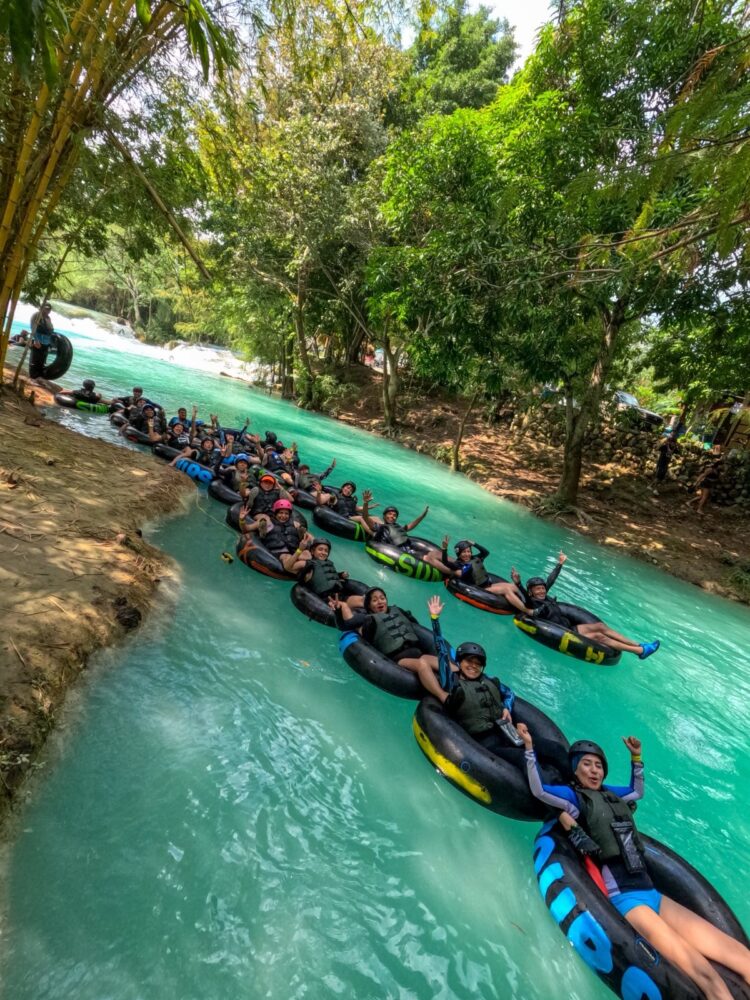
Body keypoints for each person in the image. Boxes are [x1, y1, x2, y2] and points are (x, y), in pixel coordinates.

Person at [518, 727, 750, 1000]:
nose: (594, 771)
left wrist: (636, 758)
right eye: (586, 764)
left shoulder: (614, 796)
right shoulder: (573, 800)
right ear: (575, 770)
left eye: (598, 766)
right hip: (629, 902)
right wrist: (529, 748)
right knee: (707, 977)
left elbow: (636, 790)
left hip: (653, 894)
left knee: (744, 959)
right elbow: (539, 790)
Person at [427, 595, 568, 778]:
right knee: (524, 759)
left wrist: (506, 708)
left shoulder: (490, 681)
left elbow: (509, 693)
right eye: (469, 662)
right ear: (459, 663)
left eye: (478, 664)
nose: (473, 666)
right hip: (487, 745)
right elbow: (441, 651)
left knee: (555, 749)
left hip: (508, 733)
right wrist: (435, 619)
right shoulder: (452, 682)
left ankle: (576, 784)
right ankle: (552, 790)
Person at [511, 552, 660, 659]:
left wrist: (560, 564)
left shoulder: (545, 596)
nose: (542, 591)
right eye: (537, 589)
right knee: (600, 637)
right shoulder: (531, 602)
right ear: (531, 592)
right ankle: (639, 651)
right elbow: (524, 595)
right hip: (564, 632)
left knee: (600, 627)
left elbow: (551, 580)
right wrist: (518, 583)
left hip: (571, 626)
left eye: (542, 588)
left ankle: (640, 644)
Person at [334, 587, 445, 700]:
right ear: (369, 605)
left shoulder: (398, 611)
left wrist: (434, 616)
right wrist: (338, 612)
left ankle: (456, 681)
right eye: (375, 600)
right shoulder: (368, 619)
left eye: (382, 598)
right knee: (422, 664)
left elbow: (416, 626)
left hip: (418, 653)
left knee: (441, 661)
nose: (380, 602)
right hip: (400, 659)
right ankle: (443, 697)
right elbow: (345, 626)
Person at [439, 538, 530, 614]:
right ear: (459, 554)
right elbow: (445, 562)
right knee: (506, 590)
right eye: (463, 552)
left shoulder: (476, 558)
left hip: (489, 584)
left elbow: (486, 552)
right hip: (481, 589)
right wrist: (444, 549)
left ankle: (529, 603)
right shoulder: (459, 564)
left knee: (513, 586)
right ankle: (526, 611)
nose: (467, 554)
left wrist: (474, 544)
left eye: (468, 551)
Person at [362, 497, 445, 571]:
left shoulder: (398, 527)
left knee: (432, 555)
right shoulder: (380, 527)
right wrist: (366, 503)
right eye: (389, 514)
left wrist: (422, 516)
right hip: (397, 552)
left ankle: (447, 564)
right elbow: (365, 517)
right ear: (384, 516)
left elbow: (411, 525)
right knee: (427, 558)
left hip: (408, 550)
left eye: (394, 515)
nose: (392, 516)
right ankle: (447, 571)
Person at [243, 498, 312, 574]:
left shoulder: (295, 524)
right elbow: (246, 529)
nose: (283, 516)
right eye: (280, 513)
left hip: (294, 550)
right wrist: (242, 520)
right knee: (287, 557)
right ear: (275, 513)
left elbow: (310, 537)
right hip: (280, 552)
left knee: (307, 554)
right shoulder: (266, 521)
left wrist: (310, 540)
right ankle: (301, 566)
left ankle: (300, 563)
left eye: (286, 514)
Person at [300, 537, 364, 609]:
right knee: (353, 604)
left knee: (362, 601)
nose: (323, 553)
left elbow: (328, 576)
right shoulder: (310, 564)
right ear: (312, 551)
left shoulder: (329, 563)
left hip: (339, 594)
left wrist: (341, 575)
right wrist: (300, 550)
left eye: (326, 551)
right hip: (327, 599)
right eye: (320, 549)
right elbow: (302, 577)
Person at [688, 446, 723, 516]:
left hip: (709, 484)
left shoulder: (717, 471)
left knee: (701, 497)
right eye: (721, 465)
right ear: (718, 465)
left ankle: (689, 502)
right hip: (706, 483)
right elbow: (702, 475)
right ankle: (699, 509)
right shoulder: (710, 469)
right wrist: (695, 484)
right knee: (704, 497)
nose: (722, 467)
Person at [28, 303, 55, 379]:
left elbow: (50, 330)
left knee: (42, 361)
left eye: (49, 309)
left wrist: (50, 343)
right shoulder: (36, 315)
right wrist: (36, 340)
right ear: (42, 308)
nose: (48, 310)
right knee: (35, 360)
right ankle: (32, 376)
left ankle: (38, 377)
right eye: (46, 309)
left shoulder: (48, 318)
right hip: (38, 341)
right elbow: (33, 328)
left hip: (46, 342)